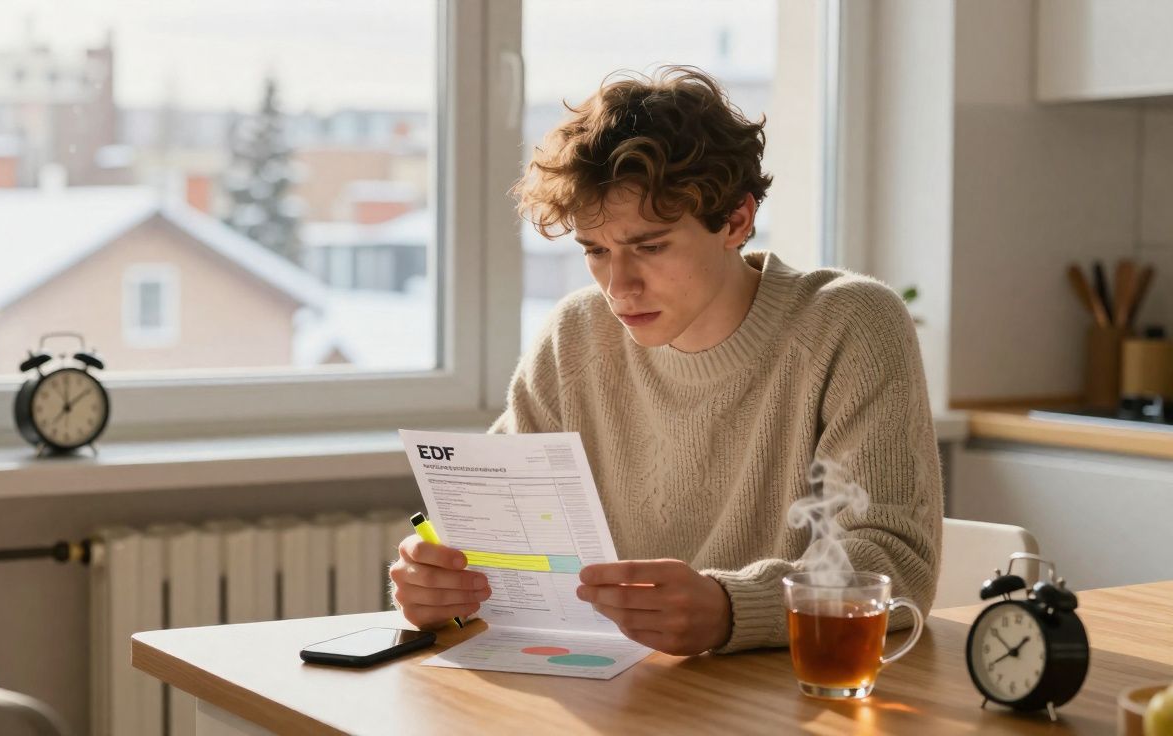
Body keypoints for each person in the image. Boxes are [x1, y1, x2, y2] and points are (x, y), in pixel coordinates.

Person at [389, 66, 942, 655]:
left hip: (791, 696)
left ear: (736, 220)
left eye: (650, 246)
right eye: (596, 251)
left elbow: (894, 561)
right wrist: (438, 589)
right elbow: (487, 531)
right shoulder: (575, 337)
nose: (618, 286)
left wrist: (731, 608)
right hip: (622, 691)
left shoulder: (849, 324)